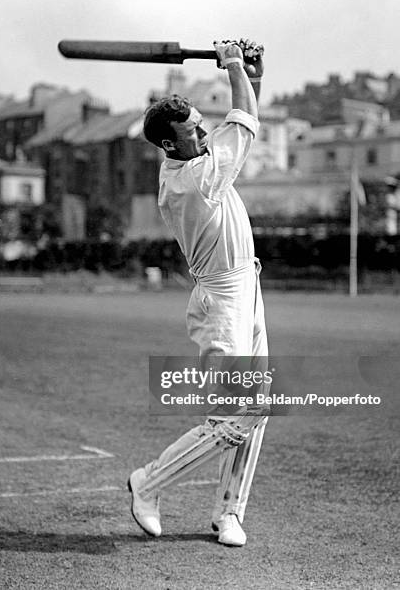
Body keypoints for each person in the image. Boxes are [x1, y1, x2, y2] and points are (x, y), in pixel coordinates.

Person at [128, 39, 269, 547]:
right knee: (239, 411)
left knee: (258, 407)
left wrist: (251, 73)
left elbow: (241, 119)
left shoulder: (202, 159)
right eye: (193, 130)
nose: (204, 131)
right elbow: (245, 125)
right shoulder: (190, 180)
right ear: (170, 145)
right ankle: (149, 482)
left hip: (246, 289)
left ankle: (229, 512)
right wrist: (233, 66)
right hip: (221, 302)